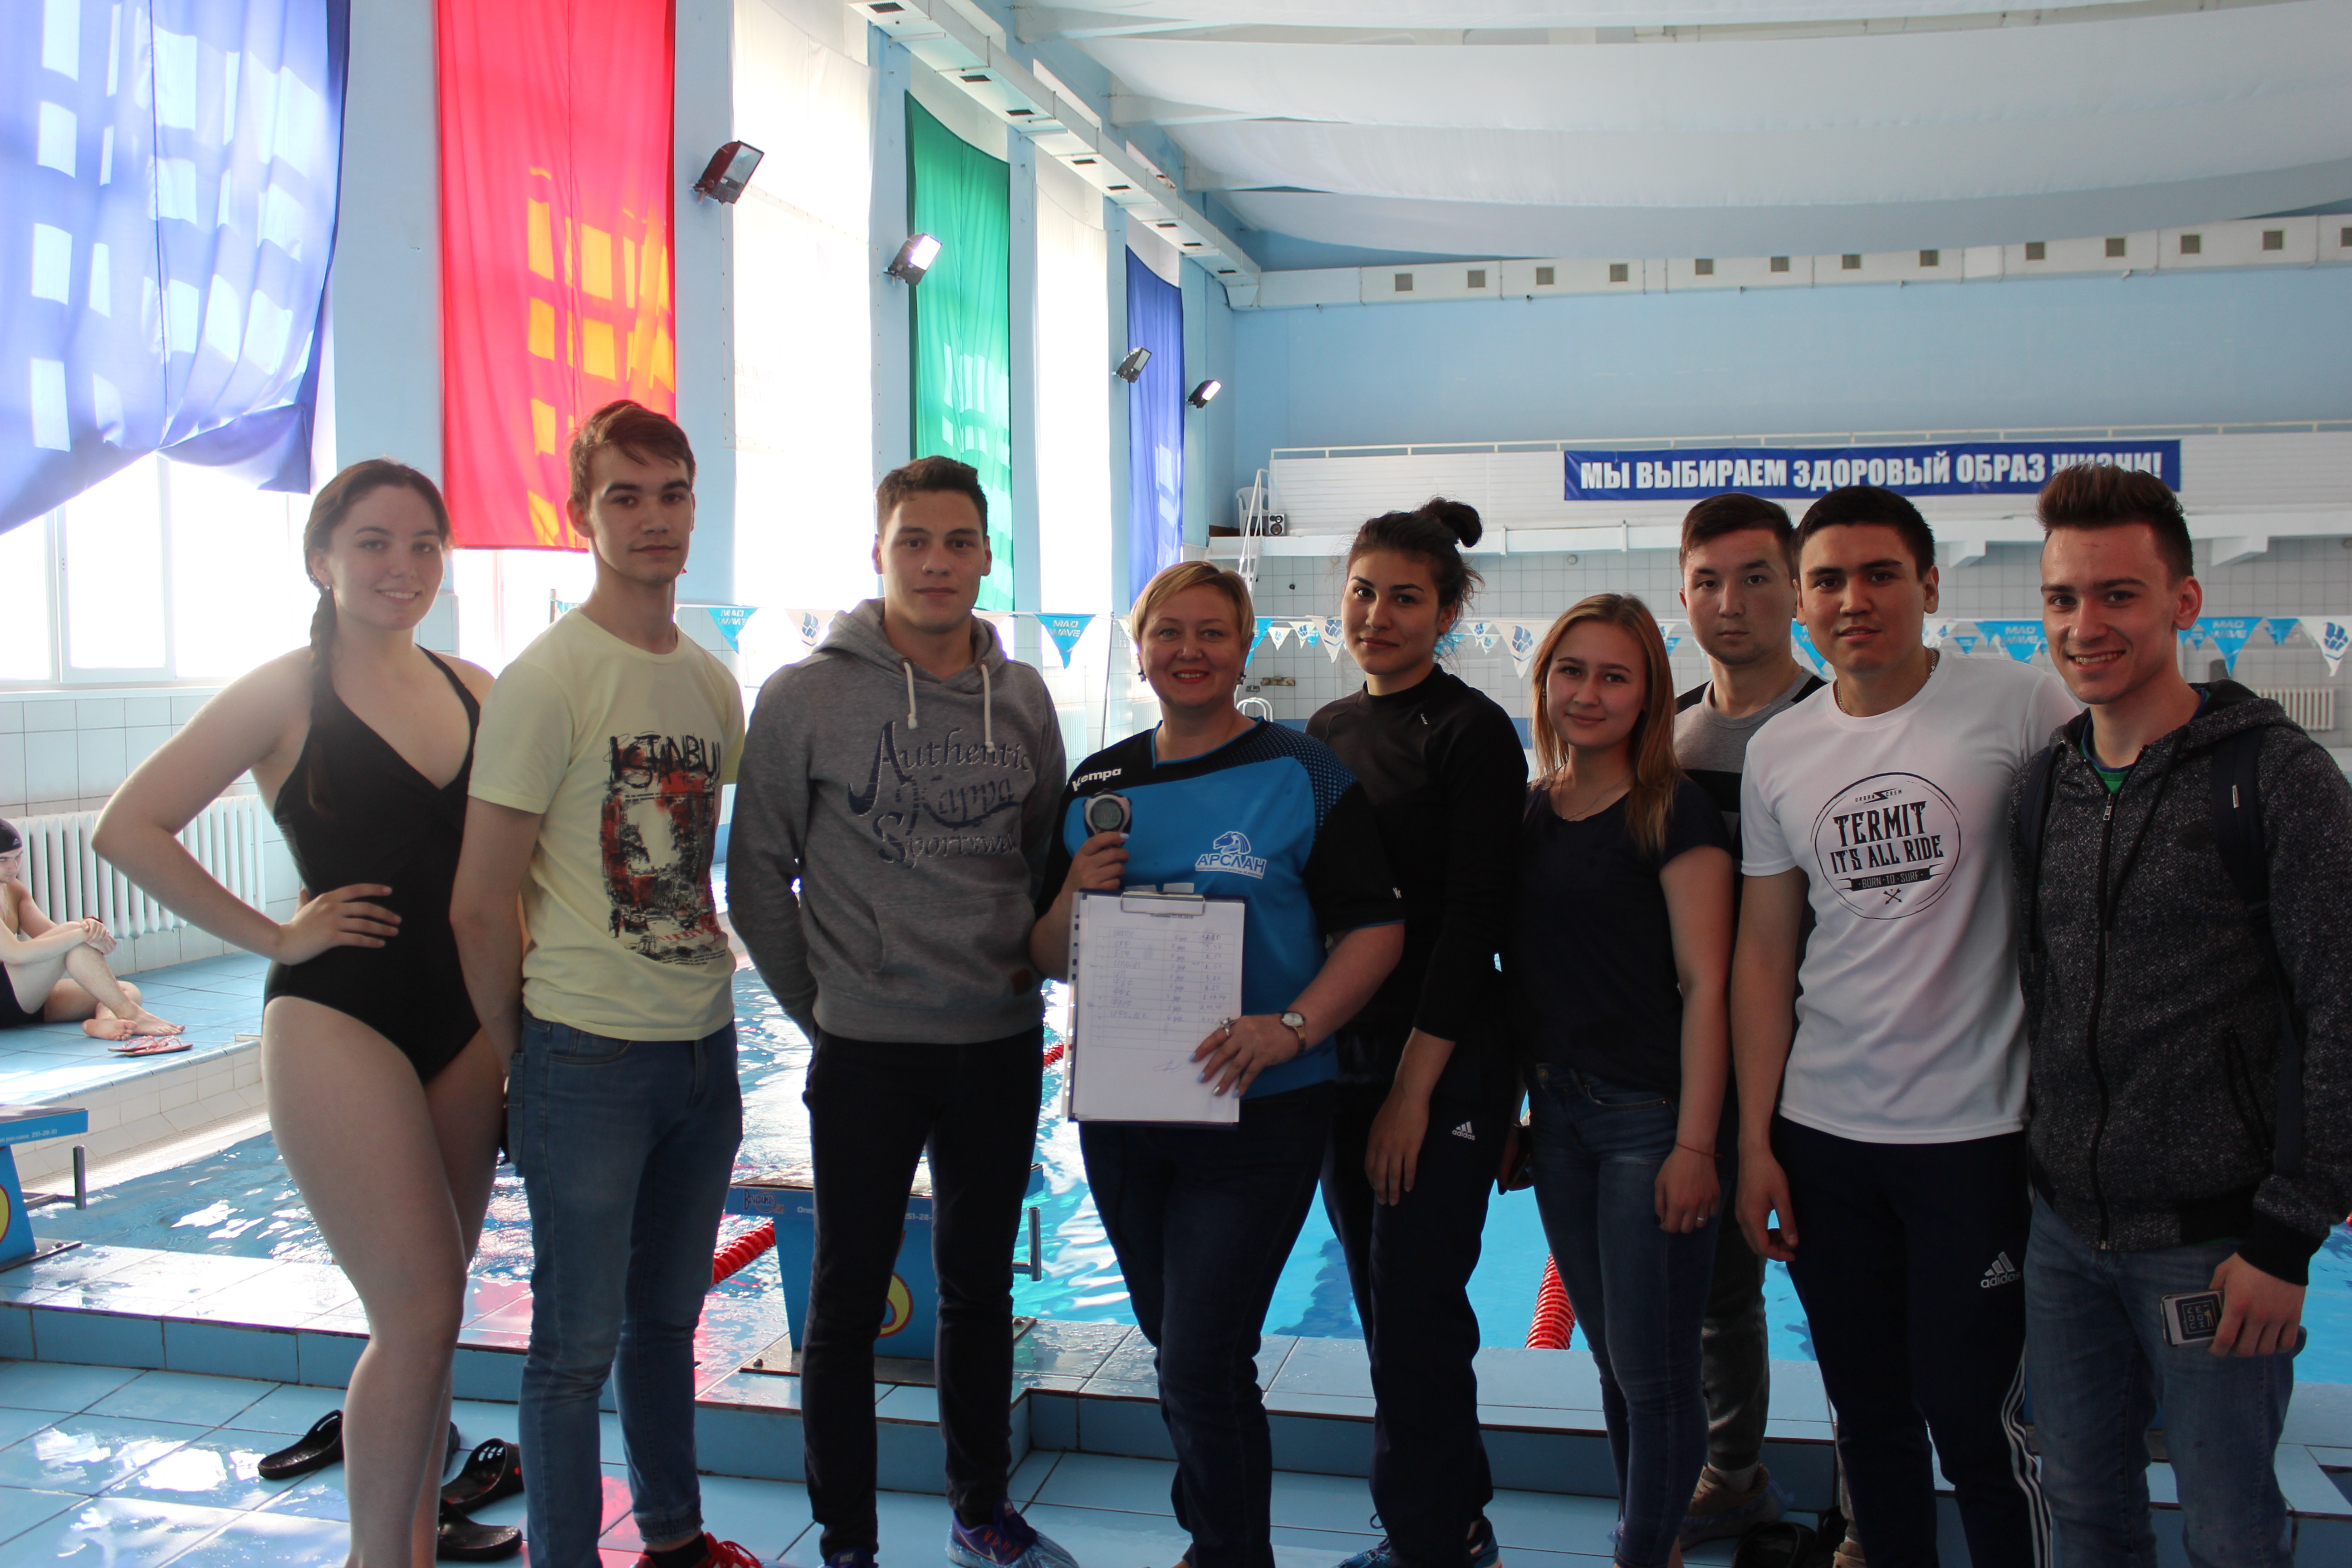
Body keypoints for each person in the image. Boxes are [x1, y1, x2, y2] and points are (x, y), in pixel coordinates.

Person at [93, 460, 516, 1565]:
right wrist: (275, 936)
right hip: (341, 1016)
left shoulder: (477, 687)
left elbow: (513, 869)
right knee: (416, 1310)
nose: (402, 565)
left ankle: (413, 1535)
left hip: (466, 1026)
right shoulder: (284, 691)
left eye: (424, 544)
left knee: (434, 1314)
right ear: (321, 560)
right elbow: (128, 827)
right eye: (373, 542)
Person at [729, 455, 1075, 1568]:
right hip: (868, 1049)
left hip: (999, 1041)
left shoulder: (1023, 697)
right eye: (912, 541)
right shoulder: (805, 696)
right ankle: (848, 1541)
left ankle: (982, 1508)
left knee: (978, 1289)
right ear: (877, 554)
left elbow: (1043, 860)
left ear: (986, 556)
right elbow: (755, 874)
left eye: (958, 541)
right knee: (844, 1300)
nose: (936, 562)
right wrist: (823, 1010)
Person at [1030, 562, 1404, 1568]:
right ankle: (1216, 1539)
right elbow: (1047, 954)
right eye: (1168, 632)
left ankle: (1229, 1553)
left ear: (1244, 650)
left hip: (1262, 1108)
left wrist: (1291, 1027)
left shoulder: (1303, 772)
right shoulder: (1097, 784)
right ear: (1140, 648)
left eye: (1211, 632)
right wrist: (1074, 892)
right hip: (1126, 1112)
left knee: (1200, 1360)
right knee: (1180, 1350)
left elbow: (1375, 929)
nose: (1188, 651)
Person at [1730, 486, 2075, 1568]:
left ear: (1928, 585)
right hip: (1824, 1136)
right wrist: (1755, 1139)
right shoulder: (1779, 750)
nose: (1853, 599)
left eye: (1880, 574)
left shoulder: (2022, 704)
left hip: (1975, 1134)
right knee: (1866, 1415)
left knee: (1978, 1423)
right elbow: (1763, 957)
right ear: (1800, 600)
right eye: (1827, 580)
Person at [2016, 464, 2352, 1568]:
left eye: (2118, 594)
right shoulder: (2046, 787)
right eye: (2063, 598)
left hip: (2216, 1247)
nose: (2085, 625)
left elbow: (2341, 1007)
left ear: (2184, 601)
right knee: (2083, 1510)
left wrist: (2287, 1236)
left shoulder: (2276, 778)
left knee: (2229, 1528)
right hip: (2064, 1235)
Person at [450, 402, 754, 1568]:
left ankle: (673, 1539)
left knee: (667, 1322)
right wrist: (519, 1057)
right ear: (580, 514)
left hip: (703, 1043)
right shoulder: (547, 680)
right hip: (584, 1052)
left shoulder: (713, 685)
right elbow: (480, 901)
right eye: (624, 496)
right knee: (572, 1349)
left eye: (671, 494)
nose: (652, 518)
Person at [1303, 499, 1523, 1568]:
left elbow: (1475, 922)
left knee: (1416, 1306)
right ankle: (1453, 1522)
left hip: (1444, 1062)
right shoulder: (1326, 731)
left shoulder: (1474, 733)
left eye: (1403, 598)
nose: (1377, 614)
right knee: (1385, 1303)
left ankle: (1430, 1540)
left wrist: (1412, 1090)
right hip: (1346, 1057)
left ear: (1445, 613)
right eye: (1362, 591)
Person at [1512, 593, 1733, 1568]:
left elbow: (1706, 984)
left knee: (1654, 1372)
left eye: (1614, 676)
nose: (1588, 694)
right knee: (1612, 1359)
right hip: (1558, 1116)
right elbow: (1519, 977)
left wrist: (1696, 1145)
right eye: (1571, 671)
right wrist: (1518, 1111)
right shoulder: (1531, 811)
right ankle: (1650, 1543)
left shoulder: (1670, 811)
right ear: (1544, 682)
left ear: (1648, 695)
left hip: (1649, 1119)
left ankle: (1642, 1552)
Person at [1668, 494, 1817, 1547]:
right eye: (1709, 581)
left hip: (1831, 1062)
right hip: (1699, 1065)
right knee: (1719, 1290)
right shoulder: (1662, 734)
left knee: (1856, 1298)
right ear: (1681, 595)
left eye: (1757, 577)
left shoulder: (1838, 722)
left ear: (1796, 590)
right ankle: (1731, 1469)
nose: (1732, 602)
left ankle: (1873, 1505)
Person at [0, 821, 180, 1042]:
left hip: (22, 999)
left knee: (126, 991)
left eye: (18, 857)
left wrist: (88, 929)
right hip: (7, 996)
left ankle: (106, 1021)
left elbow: (53, 937)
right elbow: (16, 955)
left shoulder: (13, 889)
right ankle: (132, 1014)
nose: (13, 867)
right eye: (3, 860)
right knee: (74, 933)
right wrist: (80, 933)